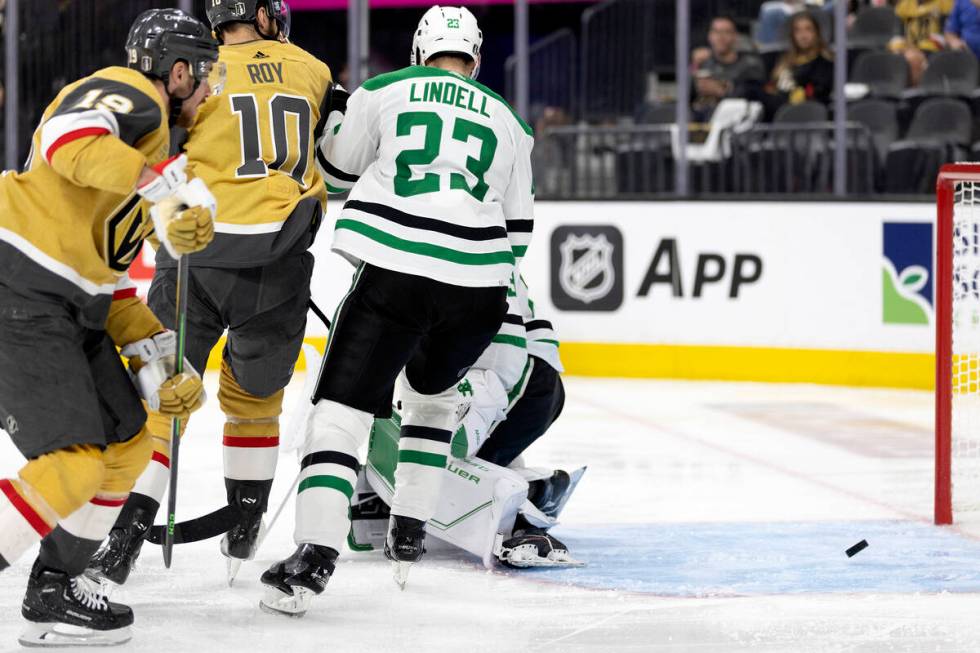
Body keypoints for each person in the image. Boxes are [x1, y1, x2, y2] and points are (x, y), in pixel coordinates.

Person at [260, 4, 532, 616]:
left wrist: (334, 113)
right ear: (477, 56)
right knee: (432, 397)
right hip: (480, 291)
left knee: (341, 412)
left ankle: (313, 559)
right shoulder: (513, 122)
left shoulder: (386, 90)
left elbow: (334, 167)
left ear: (419, 49)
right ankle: (408, 532)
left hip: (396, 275)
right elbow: (517, 231)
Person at [88, 0, 333, 587]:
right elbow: (341, 155)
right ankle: (244, 526)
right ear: (268, 15)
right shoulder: (313, 69)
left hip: (194, 257)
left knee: (162, 402)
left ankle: (122, 540)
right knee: (255, 403)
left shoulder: (194, 66)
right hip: (276, 265)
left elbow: (150, 155)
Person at [0, 8, 217, 646]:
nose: (208, 94)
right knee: (71, 465)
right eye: (203, 78)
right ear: (177, 73)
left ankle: (53, 591)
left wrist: (163, 360)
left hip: (66, 310)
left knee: (126, 448)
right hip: (20, 290)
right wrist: (160, 187)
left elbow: (115, 288)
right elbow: (67, 139)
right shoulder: (132, 95)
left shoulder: (151, 161)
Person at [691, 16, 766, 121]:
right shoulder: (704, 63)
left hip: (737, 123)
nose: (720, 37)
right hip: (702, 122)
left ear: (735, 36)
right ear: (709, 36)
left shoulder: (750, 65)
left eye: (726, 32)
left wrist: (721, 91)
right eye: (716, 32)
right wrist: (694, 66)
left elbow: (755, 96)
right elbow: (687, 97)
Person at [765, 12, 835, 114]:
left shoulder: (825, 63)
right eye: (798, 31)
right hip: (779, 112)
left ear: (817, 33)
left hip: (809, 113)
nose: (803, 35)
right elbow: (771, 88)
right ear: (793, 35)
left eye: (808, 29)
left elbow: (820, 93)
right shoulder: (784, 61)